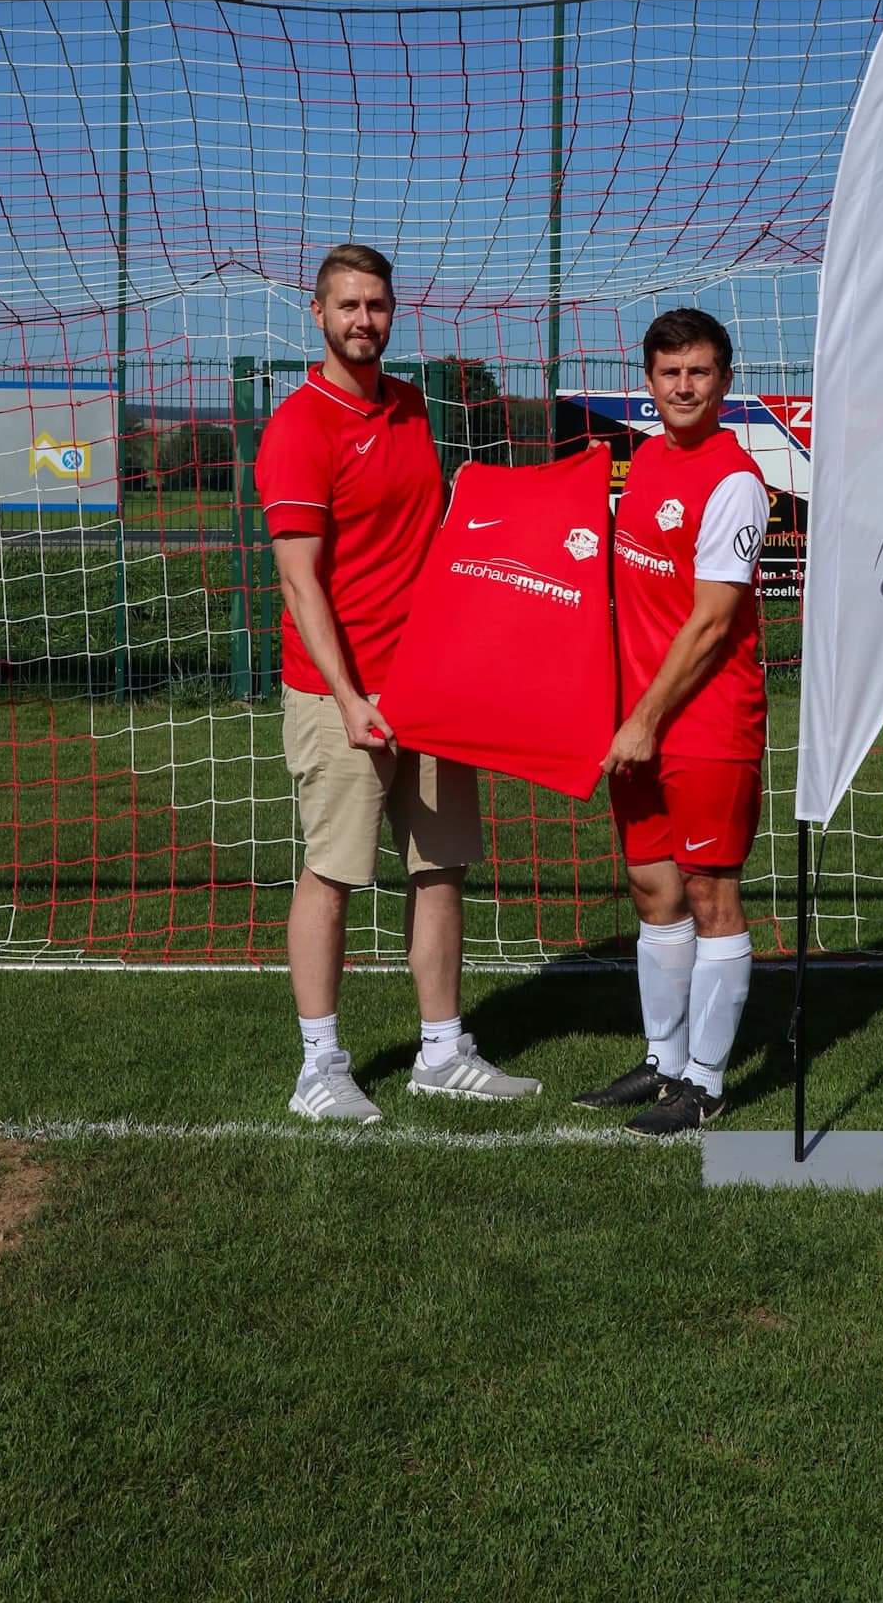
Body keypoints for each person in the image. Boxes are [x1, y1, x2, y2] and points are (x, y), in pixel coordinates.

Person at [256, 243, 540, 1120]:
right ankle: (319, 1068)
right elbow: (299, 582)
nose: (363, 320)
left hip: (429, 687)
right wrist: (348, 698)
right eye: (347, 305)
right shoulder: (298, 427)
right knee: (332, 874)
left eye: (376, 305)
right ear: (317, 313)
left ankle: (442, 1051)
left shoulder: (413, 406)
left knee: (441, 867)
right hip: (341, 693)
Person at [575, 308, 769, 1135]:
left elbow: (712, 623)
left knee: (708, 893)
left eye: (698, 372)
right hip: (638, 720)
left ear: (724, 381)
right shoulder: (646, 461)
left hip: (705, 720)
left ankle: (707, 1084)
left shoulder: (735, 481)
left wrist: (646, 719)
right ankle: (663, 1063)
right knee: (652, 888)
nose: (683, 387)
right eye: (669, 373)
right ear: (648, 383)